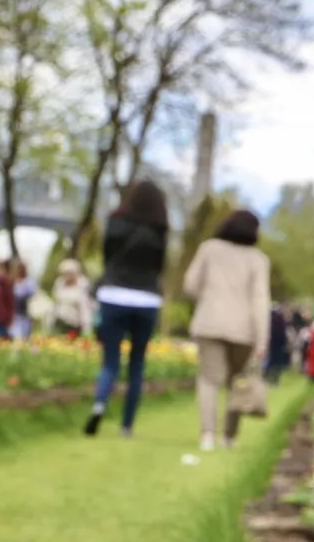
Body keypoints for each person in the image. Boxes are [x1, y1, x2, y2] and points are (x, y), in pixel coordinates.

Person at [183, 207, 271, 451]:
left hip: (209, 323)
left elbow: (190, 284)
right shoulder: (258, 260)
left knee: (209, 380)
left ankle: (207, 435)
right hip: (244, 329)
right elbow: (260, 299)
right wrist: (262, 339)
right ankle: (229, 437)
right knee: (237, 382)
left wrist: (207, 298)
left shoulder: (209, 249)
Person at [87, 179, 169, 437]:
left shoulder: (115, 222)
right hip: (146, 298)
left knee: (110, 360)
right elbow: (159, 266)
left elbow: (107, 257)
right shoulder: (160, 228)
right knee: (137, 363)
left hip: (114, 293)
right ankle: (127, 425)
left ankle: (99, 404)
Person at [50, 259, 94, 338]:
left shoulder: (83, 285)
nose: (66, 276)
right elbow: (55, 305)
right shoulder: (59, 283)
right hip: (60, 322)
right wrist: (50, 324)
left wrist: (87, 328)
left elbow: (85, 309)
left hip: (76, 324)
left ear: (75, 273)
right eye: (64, 273)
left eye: (69, 273)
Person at [9, 258, 37, 341]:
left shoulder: (29, 281)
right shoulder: (12, 281)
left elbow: (32, 294)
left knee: (25, 332)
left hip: (25, 310)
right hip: (14, 310)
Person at [264, 303, 291, 383]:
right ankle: (274, 379)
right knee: (277, 363)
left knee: (271, 361)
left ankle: (267, 376)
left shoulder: (270, 320)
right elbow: (283, 333)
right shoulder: (280, 320)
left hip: (272, 344)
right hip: (279, 345)